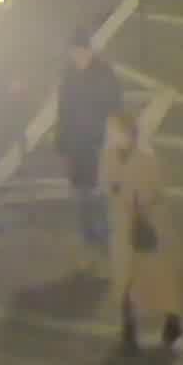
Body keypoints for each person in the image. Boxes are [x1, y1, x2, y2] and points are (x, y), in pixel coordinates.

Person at [102, 107, 183, 353]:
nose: (111, 136)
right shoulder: (109, 156)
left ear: (129, 135)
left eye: (115, 133)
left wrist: (140, 202)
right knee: (125, 280)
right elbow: (107, 183)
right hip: (122, 228)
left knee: (155, 280)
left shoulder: (147, 160)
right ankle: (129, 328)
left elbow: (156, 189)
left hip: (147, 226)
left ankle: (172, 320)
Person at [53, 37, 122, 262]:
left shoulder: (104, 75)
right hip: (77, 145)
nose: (78, 58)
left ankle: (101, 234)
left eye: (81, 53)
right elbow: (63, 109)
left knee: (99, 190)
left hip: (97, 143)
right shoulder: (69, 75)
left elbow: (114, 108)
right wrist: (62, 142)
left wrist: (112, 138)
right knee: (82, 191)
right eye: (74, 54)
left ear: (89, 52)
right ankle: (89, 233)